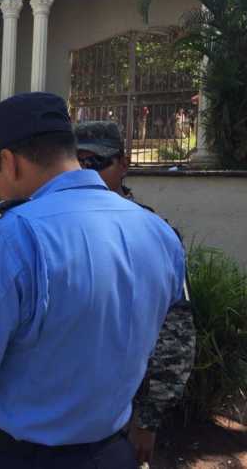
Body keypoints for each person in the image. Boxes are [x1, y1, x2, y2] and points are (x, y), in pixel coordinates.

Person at [0, 93, 187, 469]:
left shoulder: (17, 234)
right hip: (111, 451)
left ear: (7, 161)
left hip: (22, 457)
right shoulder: (158, 233)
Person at [74, 120, 196, 464]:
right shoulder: (48, 227)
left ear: (123, 164)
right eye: (77, 162)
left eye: (96, 162)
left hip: (122, 416)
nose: (86, 172)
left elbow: (176, 333)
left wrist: (148, 419)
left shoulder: (153, 233)